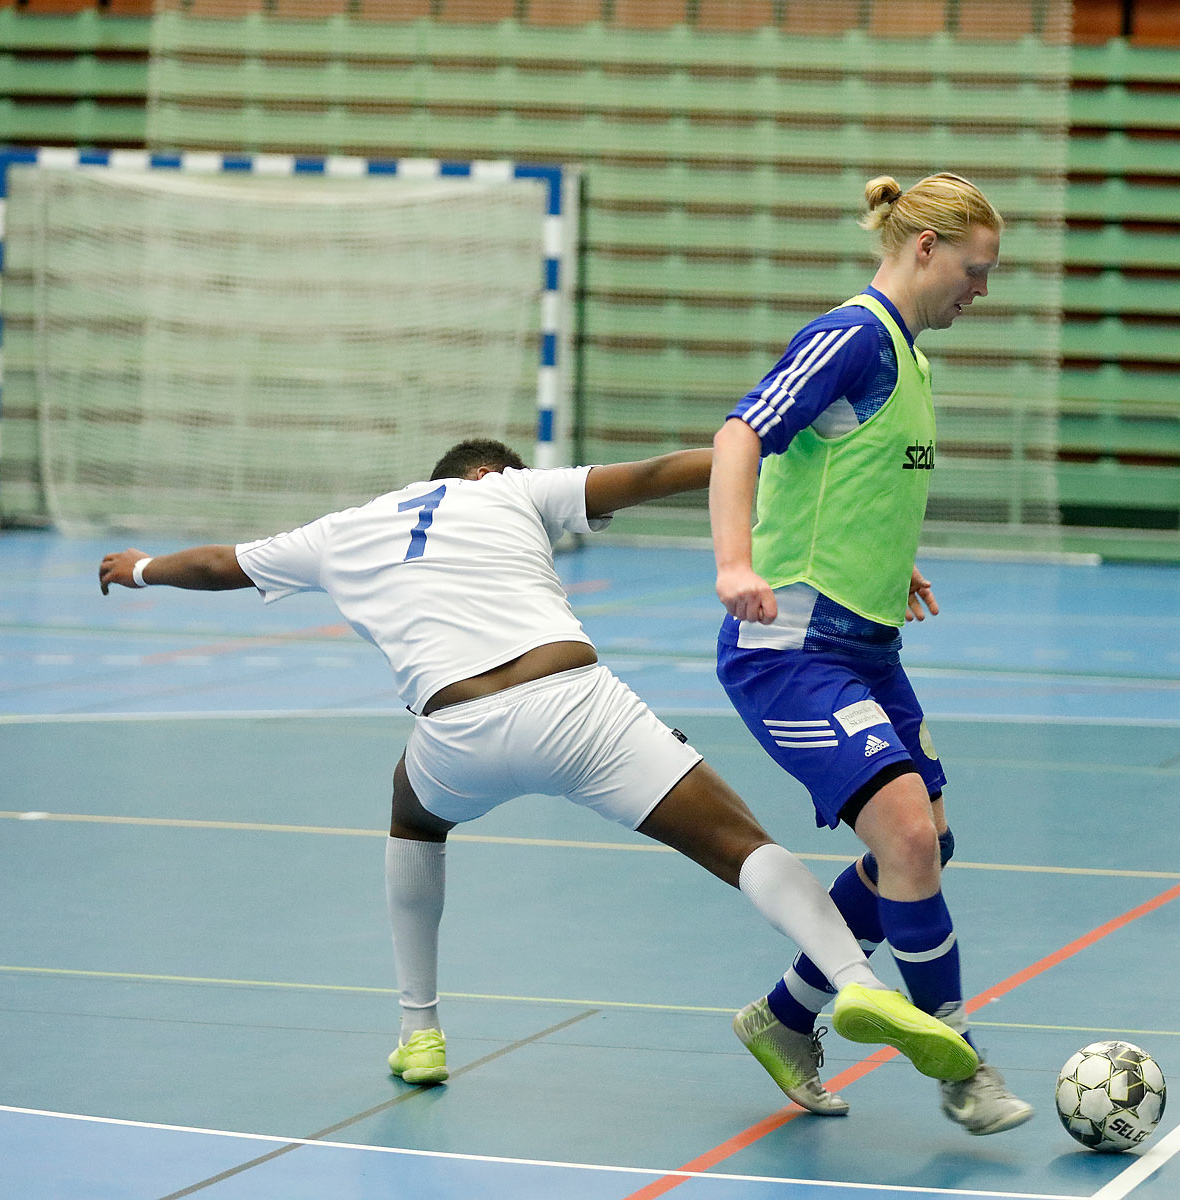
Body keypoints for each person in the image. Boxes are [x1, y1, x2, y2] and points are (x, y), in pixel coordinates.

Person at [97, 439, 977, 1093]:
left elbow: (218, 564)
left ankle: (421, 1032)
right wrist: (748, 447)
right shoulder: (507, 489)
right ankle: (858, 982)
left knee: (411, 812)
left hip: (455, 731)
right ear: (487, 471)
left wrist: (137, 568)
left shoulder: (345, 528)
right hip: (573, 702)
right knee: (739, 842)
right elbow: (647, 478)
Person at [710, 173, 1035, 1135]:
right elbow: (741, 435)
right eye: (975, 271)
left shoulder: (913, 361)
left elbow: (845, 482)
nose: (983, 290)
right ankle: (961, 1067)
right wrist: (733, 561)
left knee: (925, 847)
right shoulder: (850, 337)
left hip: (867, 641)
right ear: (925, 247)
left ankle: (786, 1016)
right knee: (901, 836)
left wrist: (892, 560)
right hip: (790, 645)